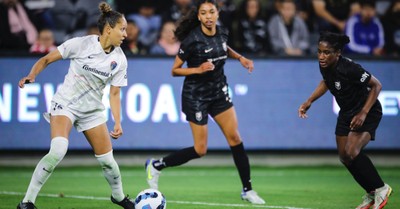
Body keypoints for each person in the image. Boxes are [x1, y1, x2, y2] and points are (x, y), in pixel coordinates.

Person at [145, 0, 265, 205]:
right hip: (196, 96)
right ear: (199, 17)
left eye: (212, 12)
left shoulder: (222, 32)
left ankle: (248, 190)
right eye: (204, 13)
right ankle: (156, 165)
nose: (208, 16)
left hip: (218, 92)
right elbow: (175, 70)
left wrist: (241, 58)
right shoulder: (192, 40)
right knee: (200, 150)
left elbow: (224, 48)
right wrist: (198, 69)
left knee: (235, 138)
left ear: (217, 14)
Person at [17, 2, 134, 209]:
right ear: (109, 29)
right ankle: (27, 202)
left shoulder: (120, 59)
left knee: (108, 161)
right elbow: (46, 59)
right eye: (122, 29)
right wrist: (32, 75)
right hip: (66, 104)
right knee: (58, 150)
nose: (126, 33)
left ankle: (118, 196)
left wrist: (117, 121)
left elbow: (115, 93)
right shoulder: (81, 44)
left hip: (92, 111)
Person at [298, 32, 393, 209]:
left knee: (352, 150)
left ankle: (381, 188)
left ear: (338, 53)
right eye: (319, 51)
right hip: (347, 112)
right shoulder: (324, 65)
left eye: (326, 52)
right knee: (344, 156)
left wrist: (363, 113)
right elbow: (326, 82)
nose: (321, 56)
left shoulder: (351, 68)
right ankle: (371, 193)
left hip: (367, 110)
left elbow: (376, 85)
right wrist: (309, 100)